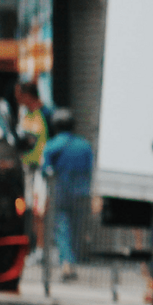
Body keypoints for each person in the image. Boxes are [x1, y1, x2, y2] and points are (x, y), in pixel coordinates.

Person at [42, 109, 94, 279]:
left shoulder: (51, 146)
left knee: (62, 229)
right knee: (77, 228)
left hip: (60, 192)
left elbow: (45, 171)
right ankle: (72, 262)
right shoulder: (85, 146)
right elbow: (90, 170)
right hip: (81, 193)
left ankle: (67, 263)